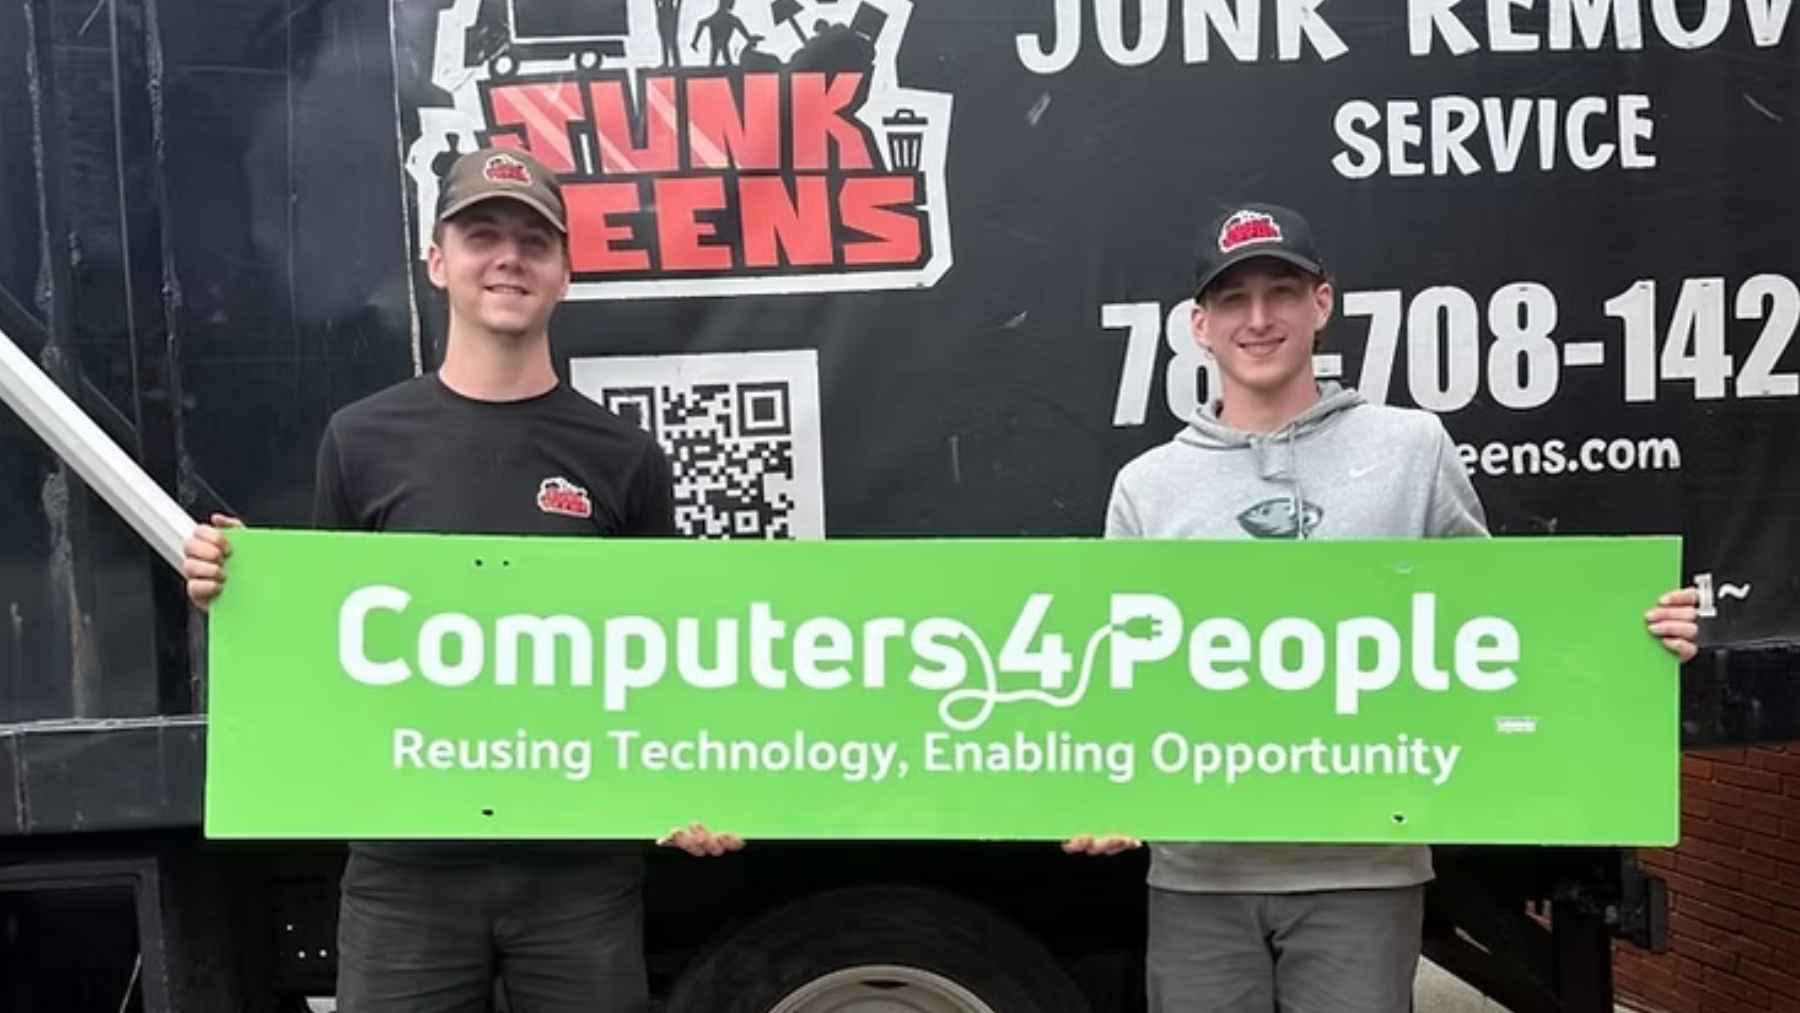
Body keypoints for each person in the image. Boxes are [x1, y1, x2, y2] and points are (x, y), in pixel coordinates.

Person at [1065, 203, 1701, 1013]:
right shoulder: (1148, 486)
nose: (1259, 318)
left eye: (1282, 291)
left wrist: (1632, 638)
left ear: (1322, 304)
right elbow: (1121, 669)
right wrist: (1106, 785)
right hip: (1199, 871)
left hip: (1365, 866)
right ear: (1199, 323)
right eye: (1233, 299)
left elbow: (1500, 628)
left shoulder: (1411, 449)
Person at [182, 146, 741, 1012]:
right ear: (438, 262)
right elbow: (334, 651)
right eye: (482, 234)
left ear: (565, 272)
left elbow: (660, 666)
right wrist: (247, 587)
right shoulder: (360, 440)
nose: (508, 257)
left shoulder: (625, 460)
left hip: (580, 872)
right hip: (405, 871)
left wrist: (693, 792)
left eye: (534, 240)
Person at [691, 0, 751, 66]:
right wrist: (694, 42)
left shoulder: (733, 20)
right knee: (719, 61)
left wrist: (695, 42)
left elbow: (701, 24)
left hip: (722, 46)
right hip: (719, 45)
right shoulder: (731, 20)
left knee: (720, 61)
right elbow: (700, 24)